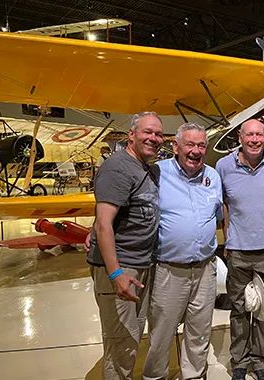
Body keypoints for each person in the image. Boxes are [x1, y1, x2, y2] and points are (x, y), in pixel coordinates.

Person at [87, 111, 164, 380]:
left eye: (158, 134)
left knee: (131, 339)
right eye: (147, 132)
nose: (153, 138)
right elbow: (104, 225)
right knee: (121, 343)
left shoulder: (148, 169)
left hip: (141, 264)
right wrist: (116, 274)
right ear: (131, 134)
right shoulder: (118, 167)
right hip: (122, 266)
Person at [143, 122, 223, 380]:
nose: (196, 151)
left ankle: (195, 375)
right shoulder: (156, 173)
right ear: (175, 147)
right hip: (169, 269)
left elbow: (220, 215)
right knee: (161, 332)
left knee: (199, 331)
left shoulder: (213, 176)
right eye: (189, 144)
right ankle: (155, 376)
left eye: (201, 145)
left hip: (205, 269)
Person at [215, 119, 264, 380]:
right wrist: (226, 240)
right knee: (239, 310)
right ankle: (239, 361)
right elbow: (223, 204)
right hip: (238, 250)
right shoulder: (223, 166)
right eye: (250, 135)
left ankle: (259, 362)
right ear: (240, 136)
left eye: (259, 135)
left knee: (263, 310)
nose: (255, 140)